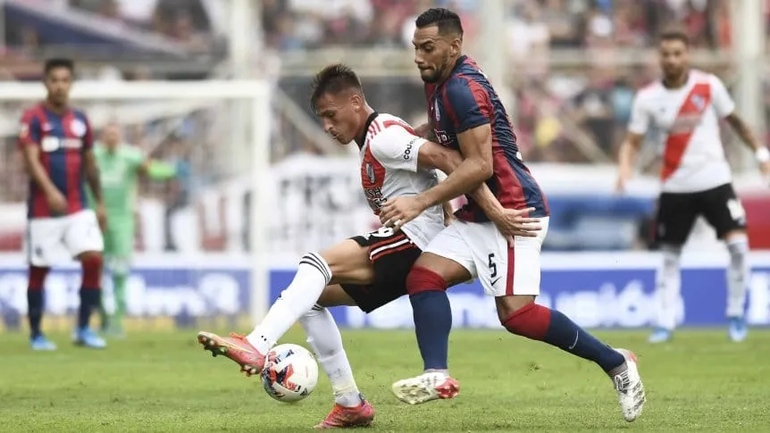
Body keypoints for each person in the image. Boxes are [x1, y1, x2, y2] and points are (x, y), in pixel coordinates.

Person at [195, 64, 532, 429]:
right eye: (322, 118)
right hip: (412, 243)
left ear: (355, 102)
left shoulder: (383, 137)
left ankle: (258, 344)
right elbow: (428, 169)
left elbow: (450, 160)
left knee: (315, 263)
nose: (327, 126)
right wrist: (445, 209)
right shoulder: (378, 135)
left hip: (412, 242)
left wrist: (491, 210)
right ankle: (349, 402)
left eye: (330, 115)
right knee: (310, 298)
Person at [378, 8, 646, 422]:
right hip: (484, 212)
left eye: (427, 48)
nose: (418, 57)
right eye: (415, 48)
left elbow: (478, 166)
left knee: (517, 315)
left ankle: (616, 363)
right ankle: (436, 373)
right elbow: (448, 138)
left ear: (455, 45)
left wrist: (420, 201)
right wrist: (414, 138)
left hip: (515, 212)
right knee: (424, 276)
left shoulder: (462, 89)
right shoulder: (441, 79)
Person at [616, 29, 770, 344]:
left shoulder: (708, 86)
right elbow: (632, 141)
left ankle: (736, 313)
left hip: (717, 182)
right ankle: (665, 322)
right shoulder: (647, 99)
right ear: (660, 58)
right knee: (670, 257)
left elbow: (738, 123)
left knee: (739, 247)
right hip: (675, 187)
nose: (672, 60)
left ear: (687, 55)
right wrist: (624, 168)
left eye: (677, 53)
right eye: (666, 54)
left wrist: (761, 153)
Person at [18, 58, 107, 350]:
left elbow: (91, 165)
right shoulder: (33, 118)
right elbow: (30, 160)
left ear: (71, 83)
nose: (59, 85)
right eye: (54, 79)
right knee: (40, 270)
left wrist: (100, 202)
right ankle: (36, 334)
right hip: (44, 210)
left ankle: (82, 329)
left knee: (93, 258)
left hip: (78, 206)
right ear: (45, 82)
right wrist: (50, 190)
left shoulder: (80, 120)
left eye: (65, 80)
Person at [93, 123, 176, 336]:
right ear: (103, 136)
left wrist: (170, 171)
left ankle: (117, 321)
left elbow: (150, 169)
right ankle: (102, 316)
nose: (112, 137)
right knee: (95, 272)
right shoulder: (93, 155)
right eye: (108, 133)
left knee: (120, 271)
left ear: (119, 137)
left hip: (122, 221)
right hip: (96, 220)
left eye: (115, 133)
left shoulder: (130, 156)